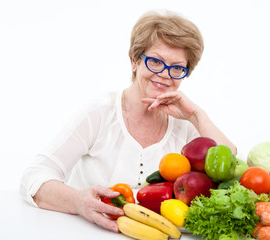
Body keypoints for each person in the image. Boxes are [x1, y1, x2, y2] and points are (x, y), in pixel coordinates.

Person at [20, 10, 236, 233]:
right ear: (134, 61)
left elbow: (231, 172)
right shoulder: (100, 113)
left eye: (177, 68)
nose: (165, 74)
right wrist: (77, 201)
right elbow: (33, 176)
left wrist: (196, 116)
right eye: (155, 61)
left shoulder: (187, 124)